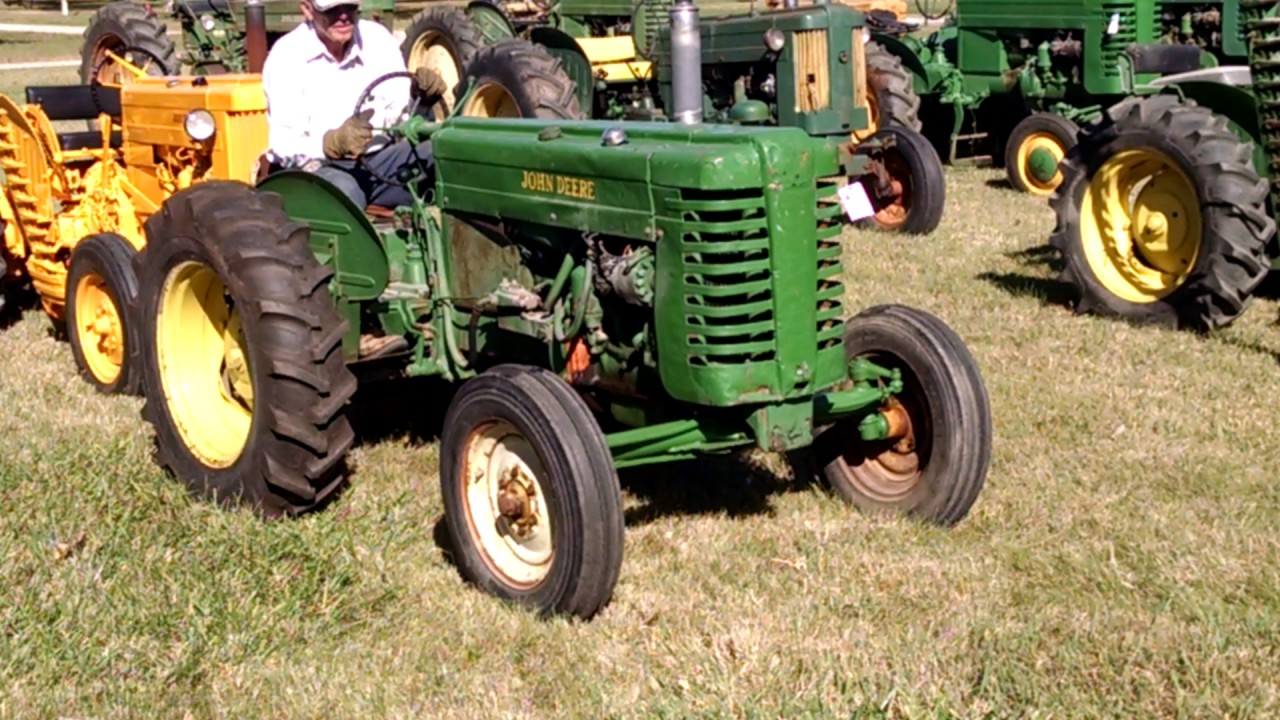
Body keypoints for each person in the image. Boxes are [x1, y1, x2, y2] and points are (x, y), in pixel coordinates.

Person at [261, 0, 448, 210]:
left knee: (448, 156)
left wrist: (420, 100)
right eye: (332, 10)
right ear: (307, 9)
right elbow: (283, 144)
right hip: (321, 169)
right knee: (343, 193)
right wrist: (330, 143)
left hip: (381, 161)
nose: (343, 16)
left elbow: (401, 116)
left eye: (349, 7)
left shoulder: (377, 40)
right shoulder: (287, 56)